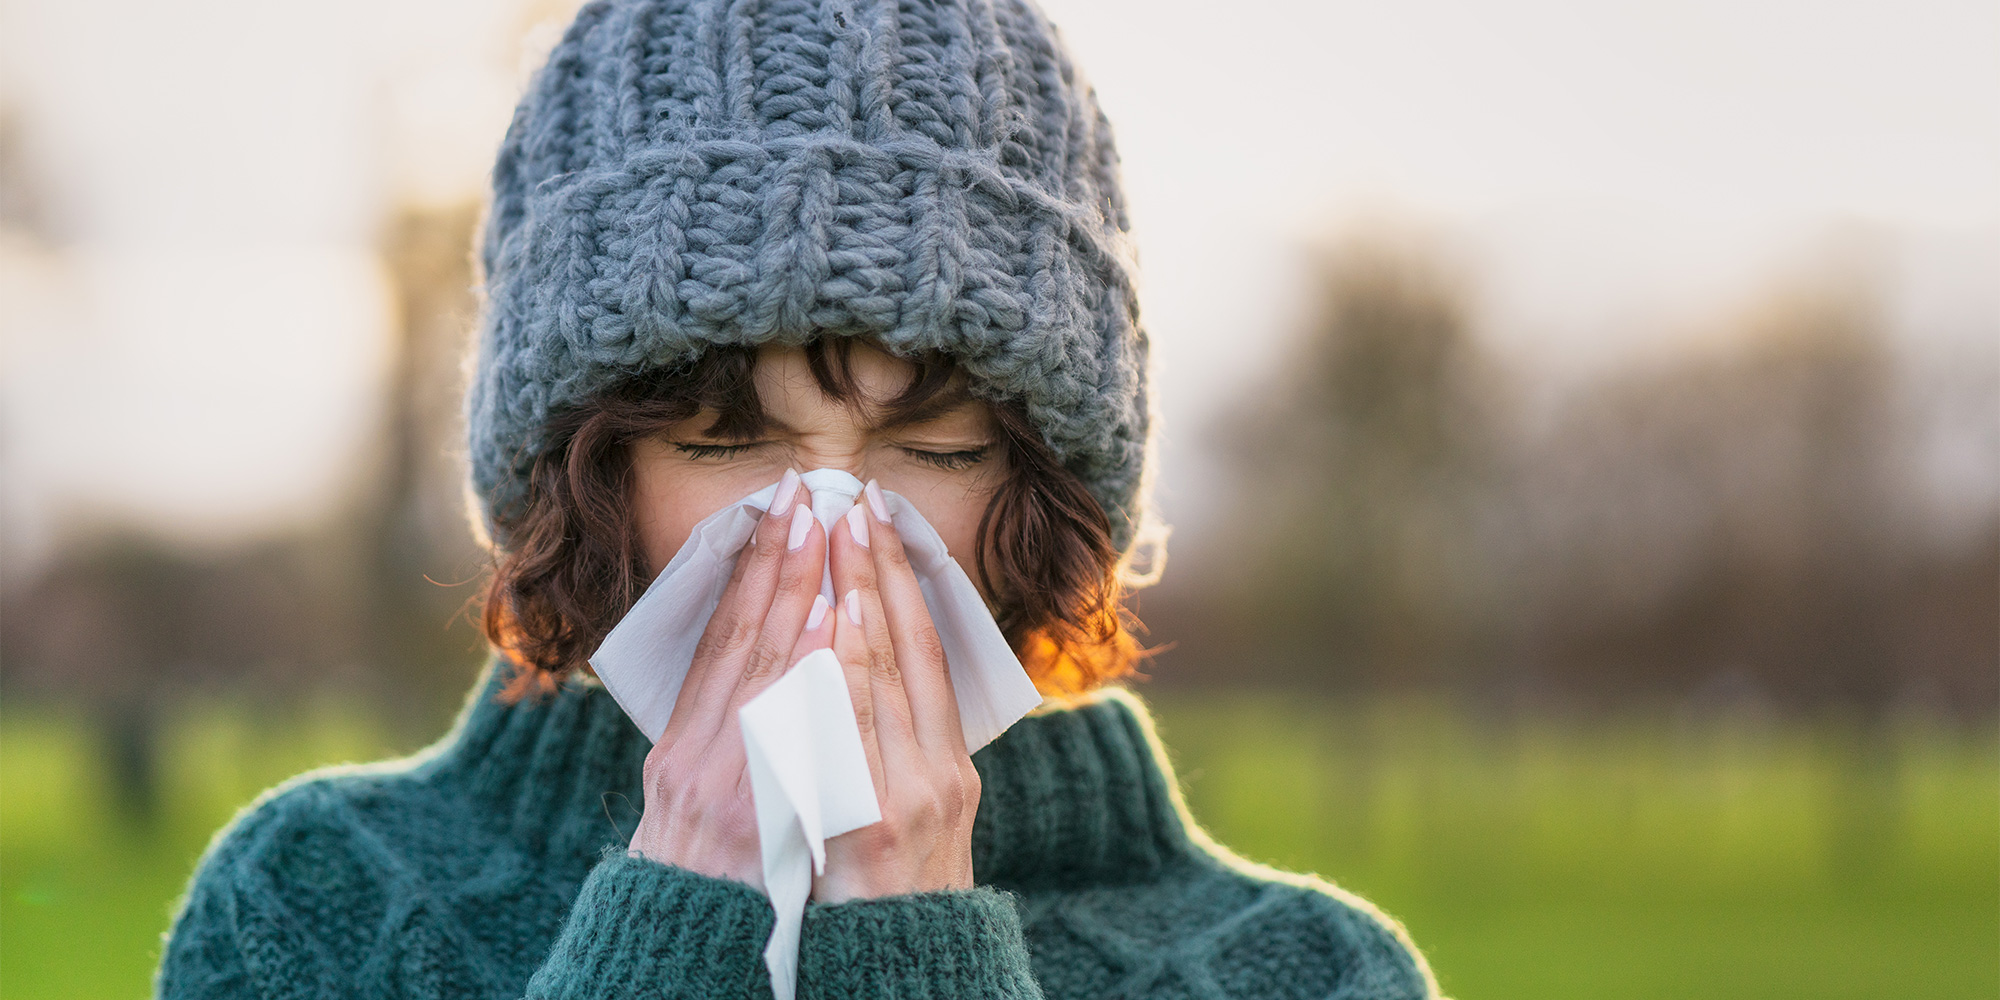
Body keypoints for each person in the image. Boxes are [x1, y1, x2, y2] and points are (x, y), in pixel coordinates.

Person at [157, 0, 1439, 996]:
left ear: (1045, 483)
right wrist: (670, 923)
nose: (825, 535)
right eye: (726, 438)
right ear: (583, 471)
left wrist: (915, 939)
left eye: (931, 448)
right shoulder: (311, 904)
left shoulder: (1311, 972)